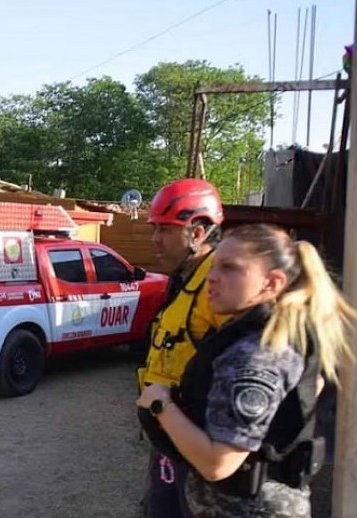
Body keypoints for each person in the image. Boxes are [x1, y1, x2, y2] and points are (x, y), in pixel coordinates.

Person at [137, 223, 355, 517]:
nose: (211, 277)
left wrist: (160, 404)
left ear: (272, 283)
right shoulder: (272, 336)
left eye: (230, 268)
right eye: (214, 266)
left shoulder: (256, 356)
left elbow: (217, 464)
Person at [137, 178, 230, 517]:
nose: (155, 240)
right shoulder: (184, 278)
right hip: (171, 439)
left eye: (164, 230)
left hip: (199, 446)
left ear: (198, 232)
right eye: (155, 229)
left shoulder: (219, 286)